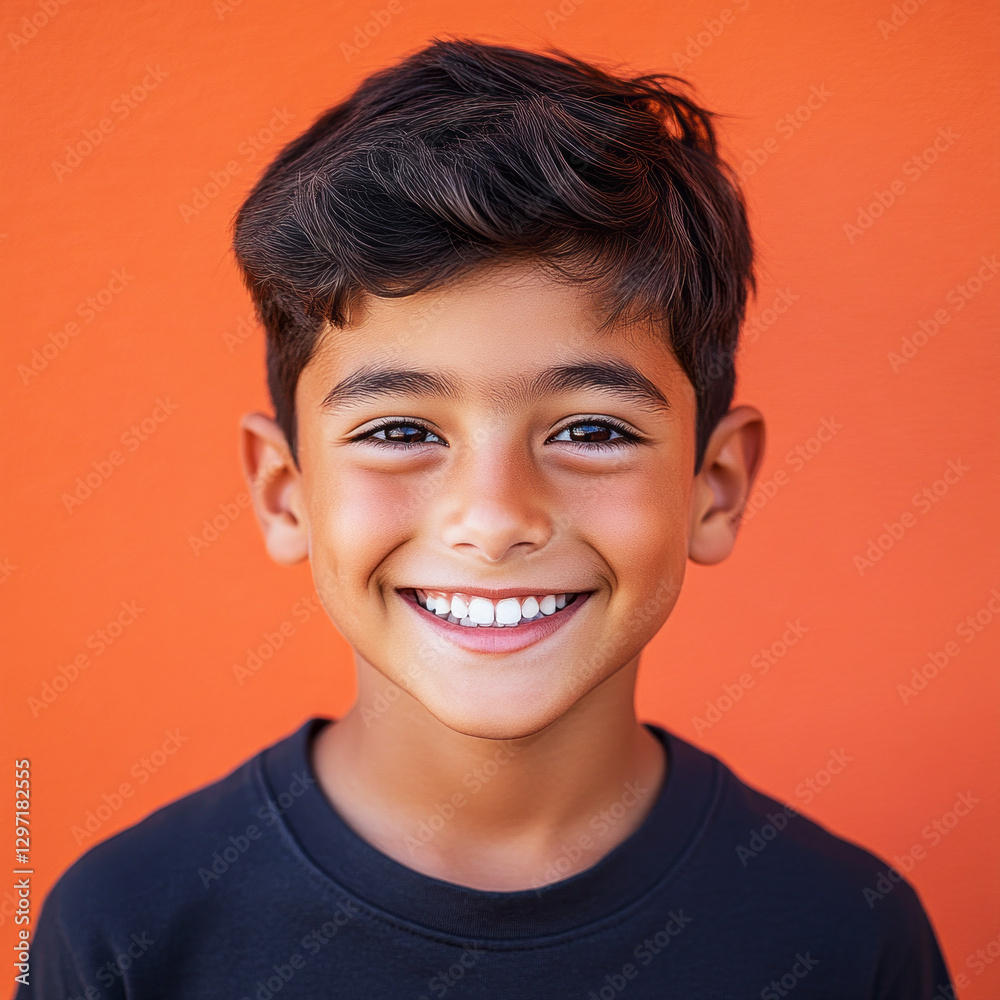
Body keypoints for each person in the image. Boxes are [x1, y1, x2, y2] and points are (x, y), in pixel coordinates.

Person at [18, 37, 954, 998]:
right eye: (398, 429)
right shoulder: (128, 929)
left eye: (591, 430)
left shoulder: (846, 936)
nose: (495, 518)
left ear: (714, 487)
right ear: (283, 490)